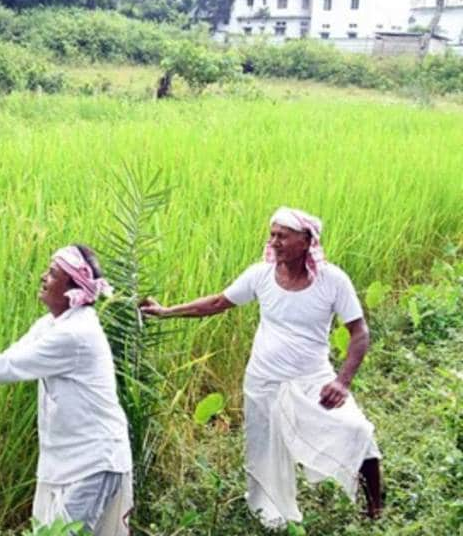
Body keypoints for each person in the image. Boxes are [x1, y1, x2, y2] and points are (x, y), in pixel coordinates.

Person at [140, 207, 383, 529]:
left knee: (357, 431)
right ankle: (271, 515)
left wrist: (342, 381)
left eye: (283, 236)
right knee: (265, 453)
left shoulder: (332, 280)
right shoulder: (260, 275)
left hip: (313, 378)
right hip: (264, 380)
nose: (274, 242)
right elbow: (216, 303)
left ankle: (375, 509)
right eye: (273, 235)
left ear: (306, 241)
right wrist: (166, 312)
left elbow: (359, 332)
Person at [0, 245, 133, 535]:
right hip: (68, 459)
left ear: (73, 288)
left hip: (93, 460)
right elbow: (10, 359)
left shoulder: (75, 334)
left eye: (53, 274)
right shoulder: (51, 324)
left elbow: (8, 366)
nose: (44, 277)